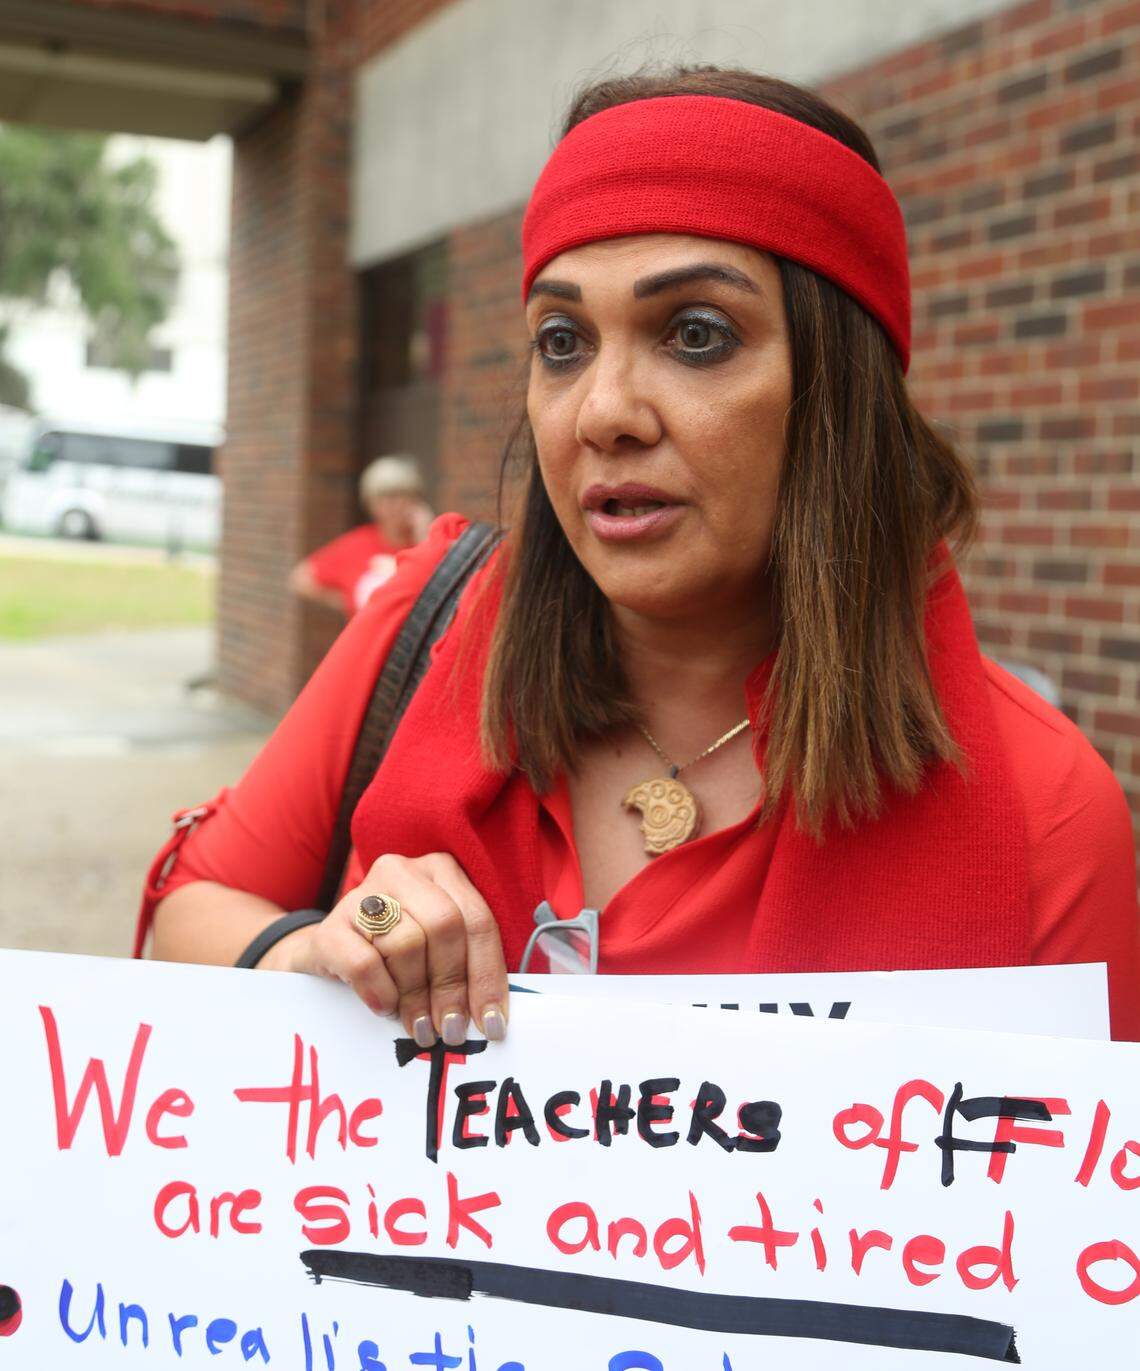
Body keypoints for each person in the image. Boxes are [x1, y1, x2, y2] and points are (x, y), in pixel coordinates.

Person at [144, 66, 1140, 1049]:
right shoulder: (427, 629)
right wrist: (305, 956)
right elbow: (185, 913)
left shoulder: (1045, 815)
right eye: (563, 341)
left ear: (836, 395)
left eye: (696, 335)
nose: (605, 412)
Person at [289, 453, 434, 615]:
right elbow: (302, 578)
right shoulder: (357, 543)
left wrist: (426, 536)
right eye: (389, 498)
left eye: (406, 496)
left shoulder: (429, 543)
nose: (398, 505)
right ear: (371, 504)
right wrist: (349, 602)